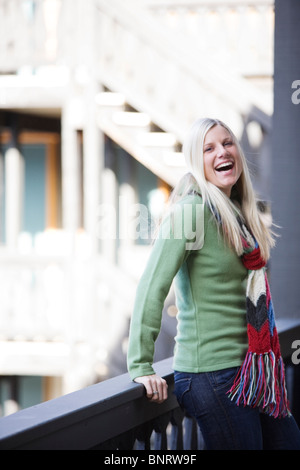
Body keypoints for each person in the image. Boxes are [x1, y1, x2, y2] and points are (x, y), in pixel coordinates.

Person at [127, 118, 300, 450]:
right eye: (209, 148)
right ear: (197, 161)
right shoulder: (190, 212)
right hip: (211, 376)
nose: (222, 151)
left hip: (250, 373)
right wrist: (140, 365)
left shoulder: (236, 213)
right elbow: (152, 286)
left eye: (227, 143)